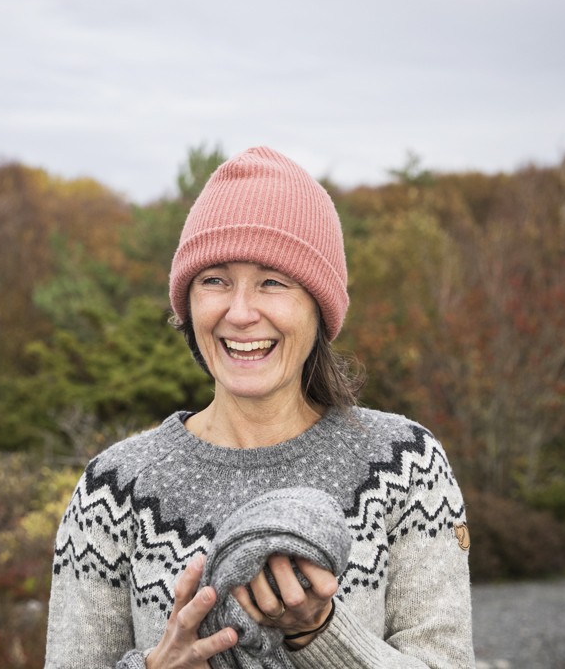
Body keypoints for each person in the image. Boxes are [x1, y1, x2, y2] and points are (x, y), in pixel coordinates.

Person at [45, 146, 474, 668]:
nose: (241, 312)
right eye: (215, 280)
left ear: (320, 306)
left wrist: (320, 632)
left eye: (273, 281)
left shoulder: (407, 465)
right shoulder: (111, 489)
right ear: (188, 305)